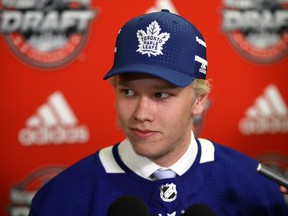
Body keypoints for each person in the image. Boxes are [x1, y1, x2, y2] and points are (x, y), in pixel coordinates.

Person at [29, 9, 288, 216]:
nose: (141, 113)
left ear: (199, 100)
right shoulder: (63, 197)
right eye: (128, 92)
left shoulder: (255, 190)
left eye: (161, 95)